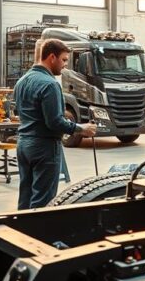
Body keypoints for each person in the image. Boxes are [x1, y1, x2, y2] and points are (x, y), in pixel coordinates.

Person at [13, 39, 96, 209]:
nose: (65, 65)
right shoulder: (50, 84)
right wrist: (81, 129)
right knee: (42, 201)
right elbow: (54, 122)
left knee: (26, 195)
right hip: (44, 147)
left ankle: (19, 231)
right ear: (52, 57)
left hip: (23, 144)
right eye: (64, 60)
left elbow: (19, 111)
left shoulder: (22, 81)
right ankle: (37, 234)